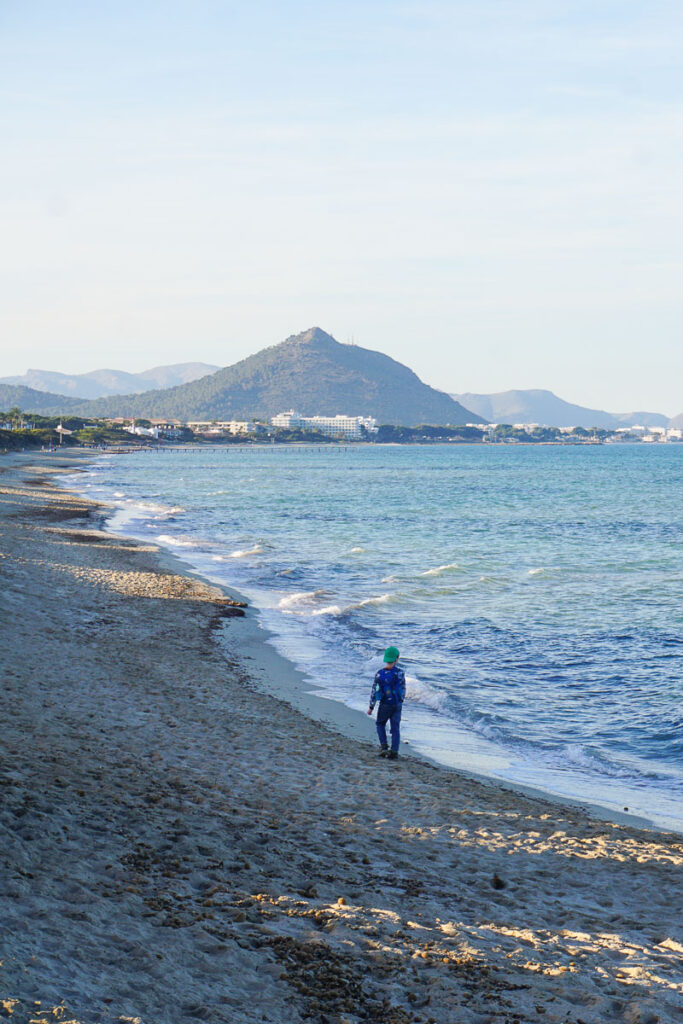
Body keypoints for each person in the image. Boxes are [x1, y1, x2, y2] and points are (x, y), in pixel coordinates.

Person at [367, 646, 406, 759]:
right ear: (396, 659)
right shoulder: (400, 673)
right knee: (395, 728)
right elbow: (403, 689)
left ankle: (384, 747)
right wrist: (401, 701)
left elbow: (375, 691)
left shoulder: (379, 674)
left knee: (380, 724)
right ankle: (394, 751)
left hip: (385, 704)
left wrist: (371, 707)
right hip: (396, 704)